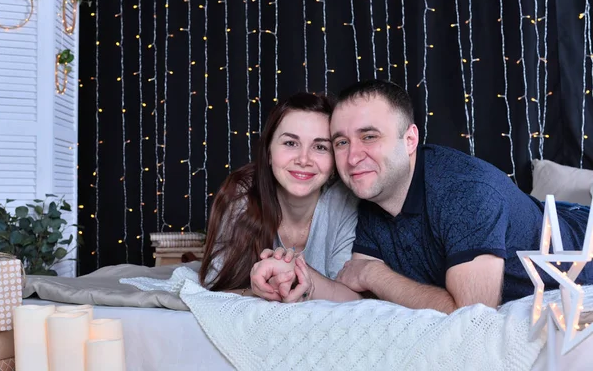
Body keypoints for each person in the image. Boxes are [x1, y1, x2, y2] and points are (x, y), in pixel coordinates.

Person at [329, 79, 592, 313]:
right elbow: (356, 291)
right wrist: (304, 278)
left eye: (369, 136)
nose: (353, 157)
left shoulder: (466, 191)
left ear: (410, 140)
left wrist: (375, 274)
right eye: (341, 142)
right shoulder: (372, 193)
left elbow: (470, 315)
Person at [199, 92, 360, 303]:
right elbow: (214, 285)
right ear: (268, 152)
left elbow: (354, 298)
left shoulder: (345, 202)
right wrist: (266, 289)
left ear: (334, 163)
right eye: (290, 143)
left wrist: (296, 272)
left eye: (320, 147)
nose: (304, 159)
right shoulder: (242, 195)